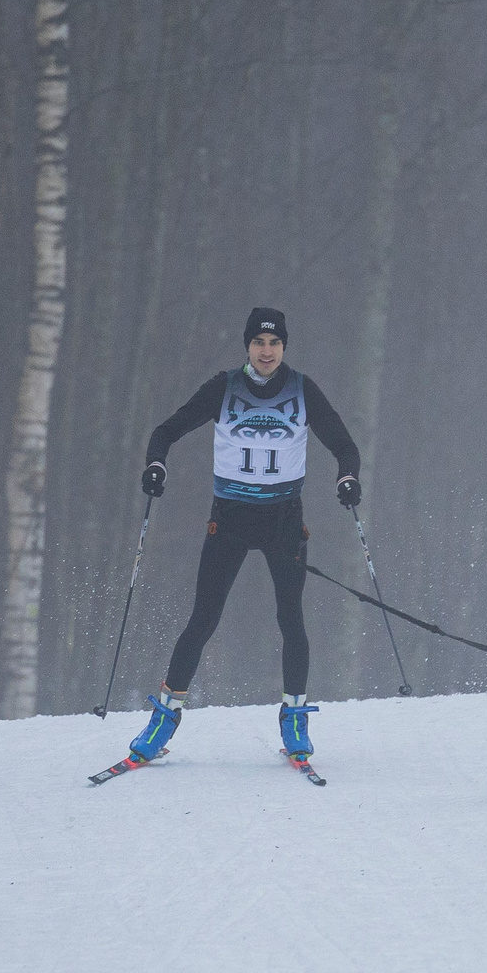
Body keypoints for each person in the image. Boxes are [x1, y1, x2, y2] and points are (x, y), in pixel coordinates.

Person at [124, 307, 361, 768]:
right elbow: (166, 431)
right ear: (247, 346)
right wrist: (156, 465)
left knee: (290, 619)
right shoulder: (224, 387)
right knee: (203, 619)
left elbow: (344, 445)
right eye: (259, 343)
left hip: (283, 521)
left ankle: (295, 718)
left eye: (274, 344)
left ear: (284, 347)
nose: (267, 352)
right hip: (229, 520)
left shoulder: (302, 389)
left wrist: (346, 478)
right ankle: (164, 718)